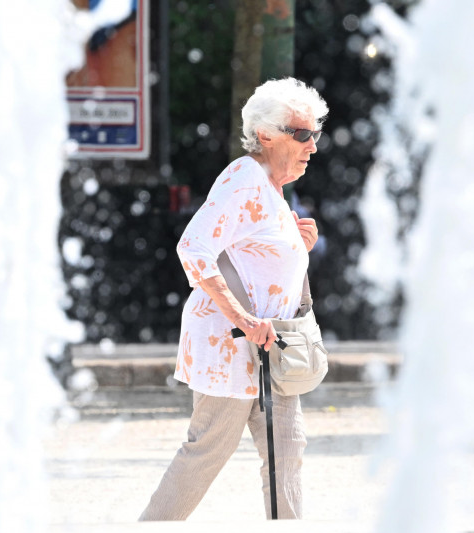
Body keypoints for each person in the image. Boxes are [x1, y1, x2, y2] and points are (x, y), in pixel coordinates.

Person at [138, 78, 327, 521]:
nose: (312, 146)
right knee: (204, 455)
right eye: (301, 134)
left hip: (271, 352)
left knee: (287, 453)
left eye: (314, 134)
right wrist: (243, 318)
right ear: (266, 135)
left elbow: (260, 263)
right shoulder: (245, 178)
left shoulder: (272, 190)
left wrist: (301, 245)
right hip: (231, 346)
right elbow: (193, 247)